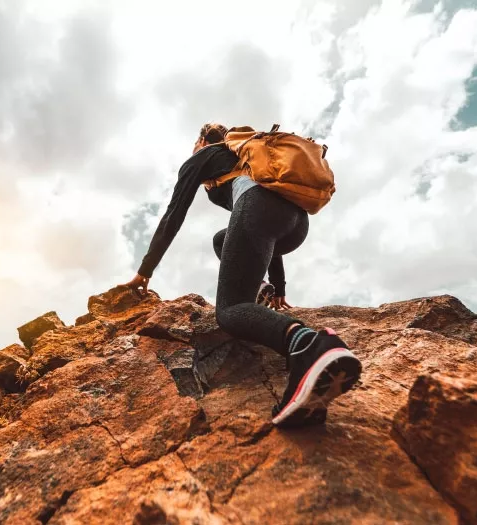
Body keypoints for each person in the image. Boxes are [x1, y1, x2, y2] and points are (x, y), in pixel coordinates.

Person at [123, 123, 361, 426]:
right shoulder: (244, 155)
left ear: (200, 141)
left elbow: (174, 214)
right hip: (295, 223)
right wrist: (278, 287)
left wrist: (145, 270)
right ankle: (310, 387)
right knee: (222, 240)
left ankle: (309, 346)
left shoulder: (203, 157)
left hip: (259, 209)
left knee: (232, 310)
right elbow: (266, 230)